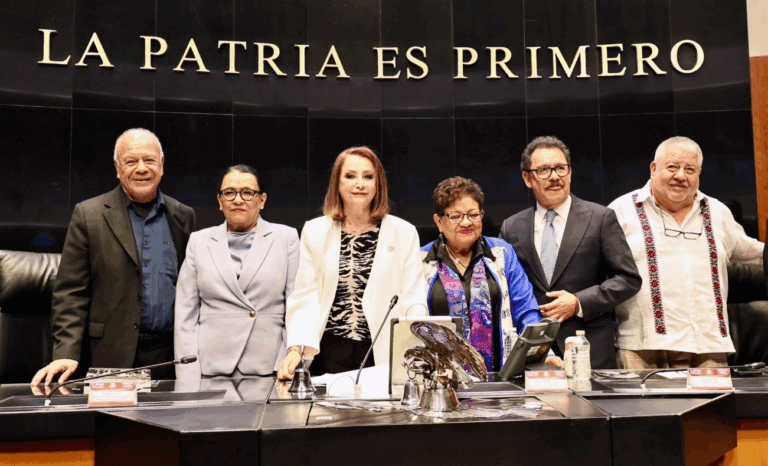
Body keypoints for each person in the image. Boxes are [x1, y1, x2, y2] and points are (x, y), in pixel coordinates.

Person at [32, 128, 196, 386]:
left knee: (166, 425)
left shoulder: (183, 216)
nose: (142, 168)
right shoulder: (90, 215)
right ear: (117, 167)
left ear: (162, 165)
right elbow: (70, 292)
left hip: (169, 356)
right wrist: (65, 353)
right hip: (109, 354)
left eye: (149, 160)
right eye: (131, 161)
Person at [608, 136, 764, 369]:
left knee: (713, 407)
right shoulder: (620, 211)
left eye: (689, 169)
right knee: (643, 407)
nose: (681, 176)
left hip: (708, 347)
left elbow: (755, 253)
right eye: (672, 167)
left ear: (698, 174)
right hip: (642, 347)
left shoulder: (718, 212)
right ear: (653, 168)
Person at [277, 147, 427, 379]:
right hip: (328, 351)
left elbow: (413, 298)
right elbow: (305, 295)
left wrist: (416, 347)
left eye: (368, 177)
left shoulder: (404, 232)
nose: (360, 184)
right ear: (337, 183)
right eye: (350, 176)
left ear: (379, 185)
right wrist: (295, 347)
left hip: (382, 352)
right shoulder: (315, 231)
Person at [499, 136, 641, 369]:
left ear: (570, 173)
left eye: (560, 168)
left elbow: (628, 279)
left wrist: (578, 302)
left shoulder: (600, 218)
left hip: (589, 349)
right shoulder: (512, 227)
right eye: (544, 170)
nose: (554, 176)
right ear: (527, 178)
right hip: (533, 355)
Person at [174, 165, 299, 386]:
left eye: (247, 192)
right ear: (220, 201)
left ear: (262, 200)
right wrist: (188, 378)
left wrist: (288, 360)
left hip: (270, 369)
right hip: (211, 371)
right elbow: (186, 316)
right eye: (229, 193)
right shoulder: (199, 241)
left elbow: (296, 306)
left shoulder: (286, 238)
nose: (238, 200)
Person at [421, 177, 543, 372]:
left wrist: (544, 352)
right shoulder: (421, 260)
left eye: (473, 214)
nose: (466, 222)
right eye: (455, 216)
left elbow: (526, 309)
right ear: (439, 221)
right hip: (438, 382)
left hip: (500, 377)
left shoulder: (502, 253)